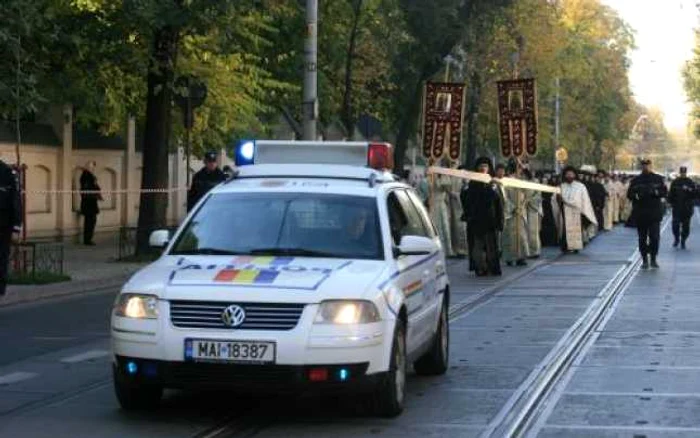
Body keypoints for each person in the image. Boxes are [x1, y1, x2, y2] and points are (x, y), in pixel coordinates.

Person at [460, 157, 503, 276]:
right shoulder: (472, 184)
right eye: (481, 166)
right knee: (477, 245)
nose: (483, 168)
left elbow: (498, 203)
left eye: (485, 166)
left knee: (491, 246)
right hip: (476, 219)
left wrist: (500, 220)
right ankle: (480, 267)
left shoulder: (493, 184)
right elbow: (465, 200)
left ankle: (490, 266)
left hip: (490, 219)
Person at [627, 159, 668, 269]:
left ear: (651, 166)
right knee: (642, 238)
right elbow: (629, 194)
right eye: (644, 166)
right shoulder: (636, 180)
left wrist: (656, 192)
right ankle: (645, 259)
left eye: (647, 165)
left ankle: (653, 258)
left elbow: (664, 192)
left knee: (655, 237)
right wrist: (636, 196)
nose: (646, 167)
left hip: (654, 213)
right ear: (642, 167)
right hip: (641, 213)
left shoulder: (658, 179)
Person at [552, 166, 597, 253]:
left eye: (571, 174)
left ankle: (576, 246)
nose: (569, 176)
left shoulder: (580, 186)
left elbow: (584, 200)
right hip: (565, 211)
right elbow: (554, 198)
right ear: (565, 175)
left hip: (577, 211)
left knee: (577, 229)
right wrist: (558, 199)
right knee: (565, 229)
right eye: (567, 174)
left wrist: (566, 200)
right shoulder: (561, 186)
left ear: (574, 175)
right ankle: (566, 246)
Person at [501, 164, 530, 266]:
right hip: (510, 212)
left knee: (521, 235)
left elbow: (527, 195)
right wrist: (513, 208)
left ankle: (521, 257)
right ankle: (509, 257)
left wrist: (521, 206)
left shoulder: (523, 181)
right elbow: (504, 197)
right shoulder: (506, 181)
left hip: (520, 211)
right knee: (509, 235)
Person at [0, 159, 21, 296]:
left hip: (3, 226)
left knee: (1, 258)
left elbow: (15, 201)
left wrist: (16, 228)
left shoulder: (7, 172)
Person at [668, 166, 697, 249]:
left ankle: (683, 240)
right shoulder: (675, 182)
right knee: (675, 225)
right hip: (677, 207)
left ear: (686, 173)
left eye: (684, 173)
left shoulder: (690, 182)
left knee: (686, 227)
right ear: (680, 173)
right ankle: (676, 238)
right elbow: (671, 194)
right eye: (682, 173)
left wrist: (688, 189)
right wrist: (670, 202)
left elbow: (696, 194)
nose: (683, 174)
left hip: (687, 208)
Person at [79, 161, 102, 246]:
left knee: (90, 221)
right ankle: (87, 239)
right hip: (89, 203)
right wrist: (96, 190)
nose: (93, 169)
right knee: (90, 221)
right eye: (92, 167)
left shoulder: (89, 176)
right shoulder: (86, 176)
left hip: (90, 202)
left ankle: (88, 239)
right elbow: (89, 188)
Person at [448, 166, 468, 259]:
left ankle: (463, 249)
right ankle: (457, 249)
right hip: (456, 206)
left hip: (464, 206)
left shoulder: (466, 181)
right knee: (457, 228)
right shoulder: (454, 179)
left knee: (463, 229)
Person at [524, 169, 543, 258]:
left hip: (533, 209)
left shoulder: (536, 181)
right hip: (522, 207)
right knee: (524, 231)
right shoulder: (520, 180)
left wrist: (530, 201)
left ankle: (534, 251)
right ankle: (525, 251)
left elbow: (538, 194)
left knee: (533, 230)